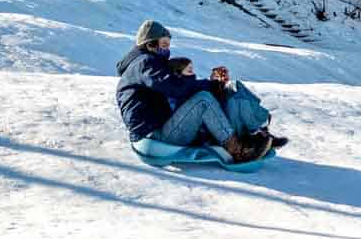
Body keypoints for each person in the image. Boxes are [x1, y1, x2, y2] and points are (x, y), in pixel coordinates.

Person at [115, 20, 272, 163]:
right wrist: (209, 85)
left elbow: (177, 87)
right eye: (164, 45)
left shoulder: (144, 64)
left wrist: (212, 84)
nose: (167, 50)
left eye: (168, 46)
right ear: (150, 45)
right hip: (154, 136)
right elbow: (175, 87)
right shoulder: (144, 63)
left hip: (158, 129)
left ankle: (251, 135)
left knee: (217, 93)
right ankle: (238, 150)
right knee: (203, 100)